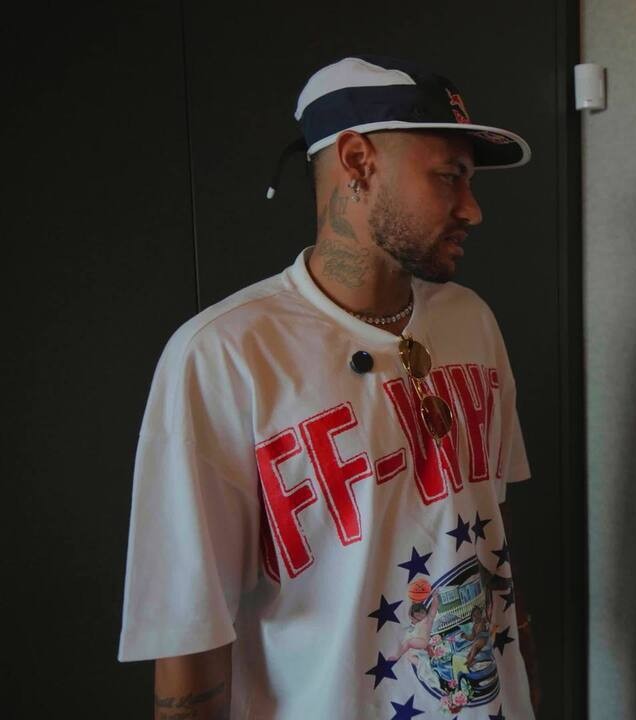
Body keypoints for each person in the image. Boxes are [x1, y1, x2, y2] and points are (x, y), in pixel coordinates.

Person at [118, 56, 539, 719]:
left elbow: (494, 537)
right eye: (449, 177)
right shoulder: (225, 355)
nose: (473, 209)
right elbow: (187, 630)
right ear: (359, 162)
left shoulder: (472, 321)